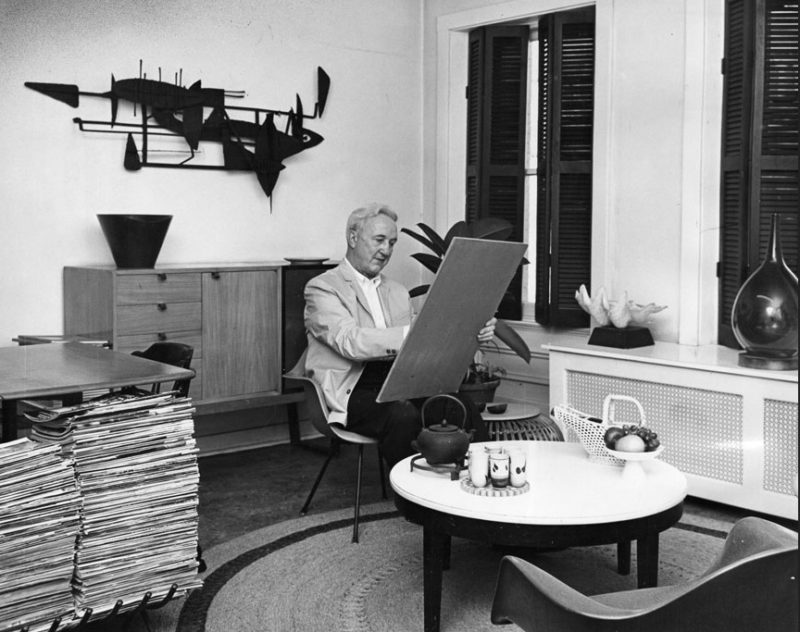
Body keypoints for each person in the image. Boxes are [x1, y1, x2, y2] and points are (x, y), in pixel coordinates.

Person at [296, 203, 496, 467]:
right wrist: (412, 333)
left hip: (397, 380)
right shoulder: (322, 287)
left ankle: (478, 483)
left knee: (458, 404)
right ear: (353, 237)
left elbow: (426, 343)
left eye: (392, 243)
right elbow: (350, 342)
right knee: (403, 415)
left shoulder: (398, 291)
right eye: (379, 240)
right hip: (353, 388)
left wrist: (472, 334)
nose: (386, 250)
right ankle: (413, 500)